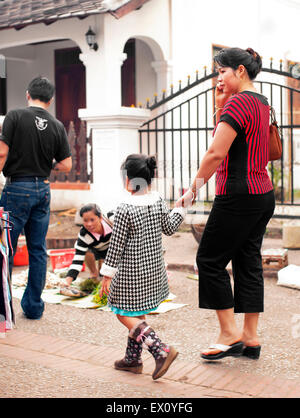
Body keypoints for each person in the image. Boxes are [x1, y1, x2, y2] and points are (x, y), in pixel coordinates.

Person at [176, 47, 275, 360]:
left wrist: (192, 189)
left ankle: (229, 334)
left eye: (222, 71)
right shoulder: (261, 102)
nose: (218, 78)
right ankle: (250, 337)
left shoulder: (239, 102)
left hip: (238, 195)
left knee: (209, 260)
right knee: (248, 261)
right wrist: (220, 106)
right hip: (263, 194)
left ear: (240, 71)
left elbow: (216, 153)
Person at [99, 154, 186, 380]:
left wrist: (107, 275)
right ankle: (132, 360)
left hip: (131, 272)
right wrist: (180, 209)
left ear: (128, 180)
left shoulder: (125, 207)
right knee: (136, 313)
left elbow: (116, 245)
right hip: (153, 271)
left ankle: (160, 350)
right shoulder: (157, 201)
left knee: (121, 311)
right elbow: (169, 227)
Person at [0, 76, 72, 320]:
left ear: (27, 94)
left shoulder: (15, 116)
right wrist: (46, 164)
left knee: (5, 249)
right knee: (38, 250)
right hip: (42, 190)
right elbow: (66, 165)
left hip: (16, 189)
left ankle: (4, 308)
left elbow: (1, 152)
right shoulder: (57, 125)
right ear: (50, 100)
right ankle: (33, 307)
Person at [60, 203, 113, 294]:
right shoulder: (84, 235)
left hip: (116, 249)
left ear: (100, 217)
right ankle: (94, 273)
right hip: (98, 251)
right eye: (85, 220)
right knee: (85, 249)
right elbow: (77, 260)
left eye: (92, 220)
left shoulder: (112, 219)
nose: (89, 224)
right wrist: (67, 281)